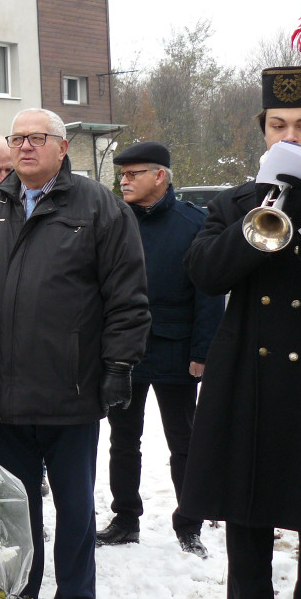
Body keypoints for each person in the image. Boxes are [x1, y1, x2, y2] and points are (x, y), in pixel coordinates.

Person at [181, 49, 301, 599]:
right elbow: (205, 272)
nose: (292, 136)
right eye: (279, 126)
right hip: (248, 389)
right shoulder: (235, 202)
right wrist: (258, 223)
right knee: (246, 533)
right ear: (263, 131)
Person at [0, 108, 150, 599]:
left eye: (36, 138)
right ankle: (21, 589)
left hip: (72, 388)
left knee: (74, 506)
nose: (24, 148)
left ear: (62, 148)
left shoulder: (100, 208)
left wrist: (118, 366)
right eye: (17, 139)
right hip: (3, 393)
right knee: (15, 509)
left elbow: (127, 300)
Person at [94, 141, 223, 558]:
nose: (124, 181)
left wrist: (202, 353)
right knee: (122, 440)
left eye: (133, 174)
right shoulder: (114, 220)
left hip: (175, 350)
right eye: (122, 174)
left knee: (183, 441)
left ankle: (189, 523)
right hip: (122, 351)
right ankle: (125, 518)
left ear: (160, 176)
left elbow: (208, 294)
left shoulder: (193, 224)